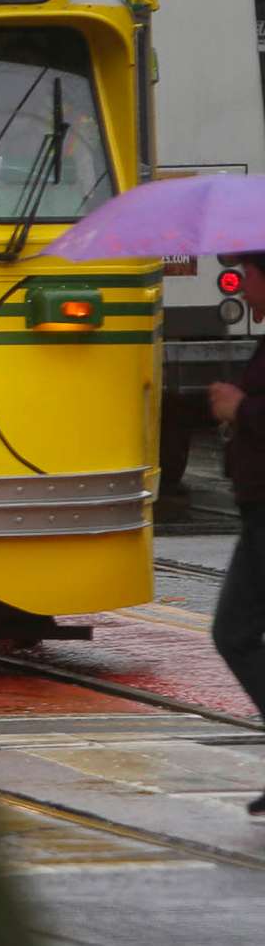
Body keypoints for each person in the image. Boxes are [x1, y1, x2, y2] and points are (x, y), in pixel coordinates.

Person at [206, 251, 265, 818]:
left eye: (249, 277)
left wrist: (242, 408)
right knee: (236, 632)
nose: (243, 289)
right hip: (257, 509)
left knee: (236, 632)